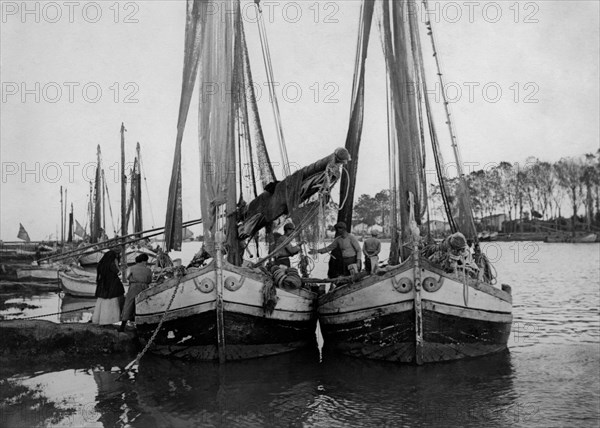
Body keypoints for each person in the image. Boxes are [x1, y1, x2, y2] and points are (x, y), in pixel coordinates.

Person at [119, 253, 153, 332]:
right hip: (144, 287)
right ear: (144, 261)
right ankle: (142, 326)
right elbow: (149, 280)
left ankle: (123, 325)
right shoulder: (148, 269)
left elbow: (127, 278)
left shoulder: (132, 268)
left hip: (134, 287)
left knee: (129, 304)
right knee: (143, 305)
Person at [92, 250, 125, 326]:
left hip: (103, 285)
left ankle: (101, 320)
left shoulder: (101, 264)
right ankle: (109, 321)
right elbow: (118, 272)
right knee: (111, 302)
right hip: (112, 285)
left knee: (102, 302)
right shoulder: (112, 264)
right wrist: (119, 266)